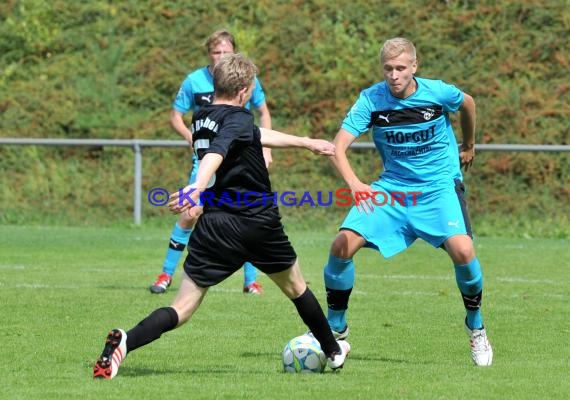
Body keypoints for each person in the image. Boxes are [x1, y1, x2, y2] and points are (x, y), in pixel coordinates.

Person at [93, 53, 350, 379]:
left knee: (182, 307)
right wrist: (196, 186)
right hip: (257, 221)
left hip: (215, 225)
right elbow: (219, 151)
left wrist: (305, 142)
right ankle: (333, 350)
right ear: (244, 91)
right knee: (297, 288)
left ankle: (125, 343)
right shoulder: (238, 119)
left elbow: (254, 136)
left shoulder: (202, 118)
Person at [322, 37, 493, 366]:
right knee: (341, 245)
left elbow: (468, 103)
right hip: (393, 189)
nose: (394, 75)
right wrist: (356, 184)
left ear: (414, 66)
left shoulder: (437, 92)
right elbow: (338, 146)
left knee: (464, 251)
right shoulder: (371, 100)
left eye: (401, 68)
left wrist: (469, 144)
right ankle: (335, 330)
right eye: (388, 69)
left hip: (438, 187)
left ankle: (476, 326)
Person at [150, 29, 272, 295]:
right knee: (189, 213)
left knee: (247, 212)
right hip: (206, 160)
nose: (221, 57)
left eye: (226, 52)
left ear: (234, 53)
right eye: (216, 52)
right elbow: (176, 116)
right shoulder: (194, 81)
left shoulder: (247, 79)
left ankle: (251, 281)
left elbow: (263, 112)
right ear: (209, 54)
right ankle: (165, 275)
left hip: (240, 160)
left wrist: (266, 149)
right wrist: (191, 136)